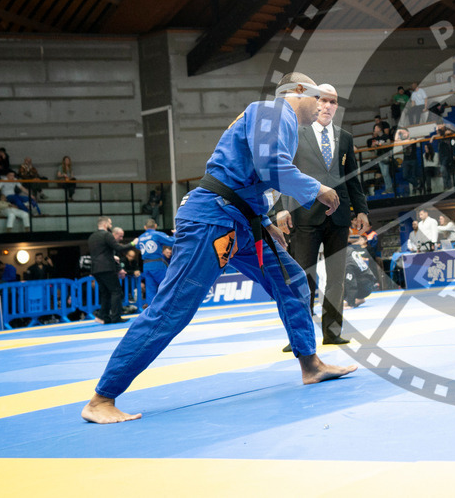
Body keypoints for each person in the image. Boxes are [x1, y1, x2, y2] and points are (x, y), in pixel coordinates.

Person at [80, 73, 355, 425]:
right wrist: (317, 188)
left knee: (292, 280)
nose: (322, 105)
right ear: (298, 91)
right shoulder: (273, 111)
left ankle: (310, 364)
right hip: (213, 219)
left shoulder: (274, 118)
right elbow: (269, 166)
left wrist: (265, 220)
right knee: (173, 308)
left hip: (242, 220)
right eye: (318, 97)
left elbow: (246, 175)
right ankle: (102, 398)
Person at [274, 83, 368, 349]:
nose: (327, 106)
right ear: (314, 102)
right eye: (323, 100)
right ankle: (301, 336)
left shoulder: (345, 138)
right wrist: (281, 207)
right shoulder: (296, 133)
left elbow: (352, 178)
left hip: (339, 216)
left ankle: (332, 332)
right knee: (303, 276)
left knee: (337, 278)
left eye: (333, 102)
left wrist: (361, 210)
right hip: (303, 214)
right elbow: (282, 171)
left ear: (337, 107)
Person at [86, 216, 135, 326]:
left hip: (95, 268)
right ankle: (116, 317)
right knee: (116, 291)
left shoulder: (92, 237)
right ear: (105, 224)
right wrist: (133, 243)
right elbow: (119, 248)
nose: (111, 226)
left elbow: (101, 252)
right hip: (106, 268)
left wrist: (112, 257)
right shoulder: (107, 235)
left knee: (106, 293)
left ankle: (103, 316)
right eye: (110, 223)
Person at [135, 219, 174, 303]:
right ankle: (167, 306)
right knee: (166, 287)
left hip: (146, 266)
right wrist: (175, 234)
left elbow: (137, 246)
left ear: (145, 227)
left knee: (150, 290)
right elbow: (172, 242)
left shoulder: (141, 237)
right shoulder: (157, 234)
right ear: (155, 226)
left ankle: (151, 309)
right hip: (157, 265)